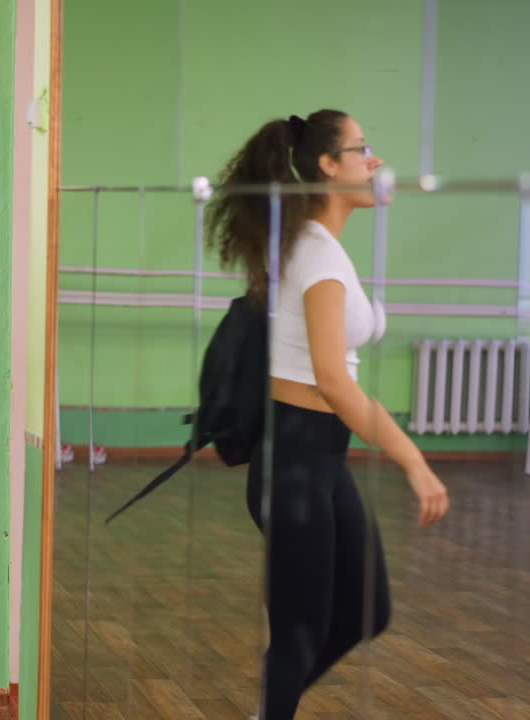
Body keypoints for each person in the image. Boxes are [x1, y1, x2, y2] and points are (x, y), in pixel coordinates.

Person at [206, 109, 450, 719]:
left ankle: (271, 707)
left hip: (321, 461)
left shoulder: (315, 248)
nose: (376, 162)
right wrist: (413, 461)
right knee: (300, 633)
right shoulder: (315, 255)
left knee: (365, 610)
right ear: (326, 165)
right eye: (362, 150)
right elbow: (335, 384)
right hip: (294, 462)